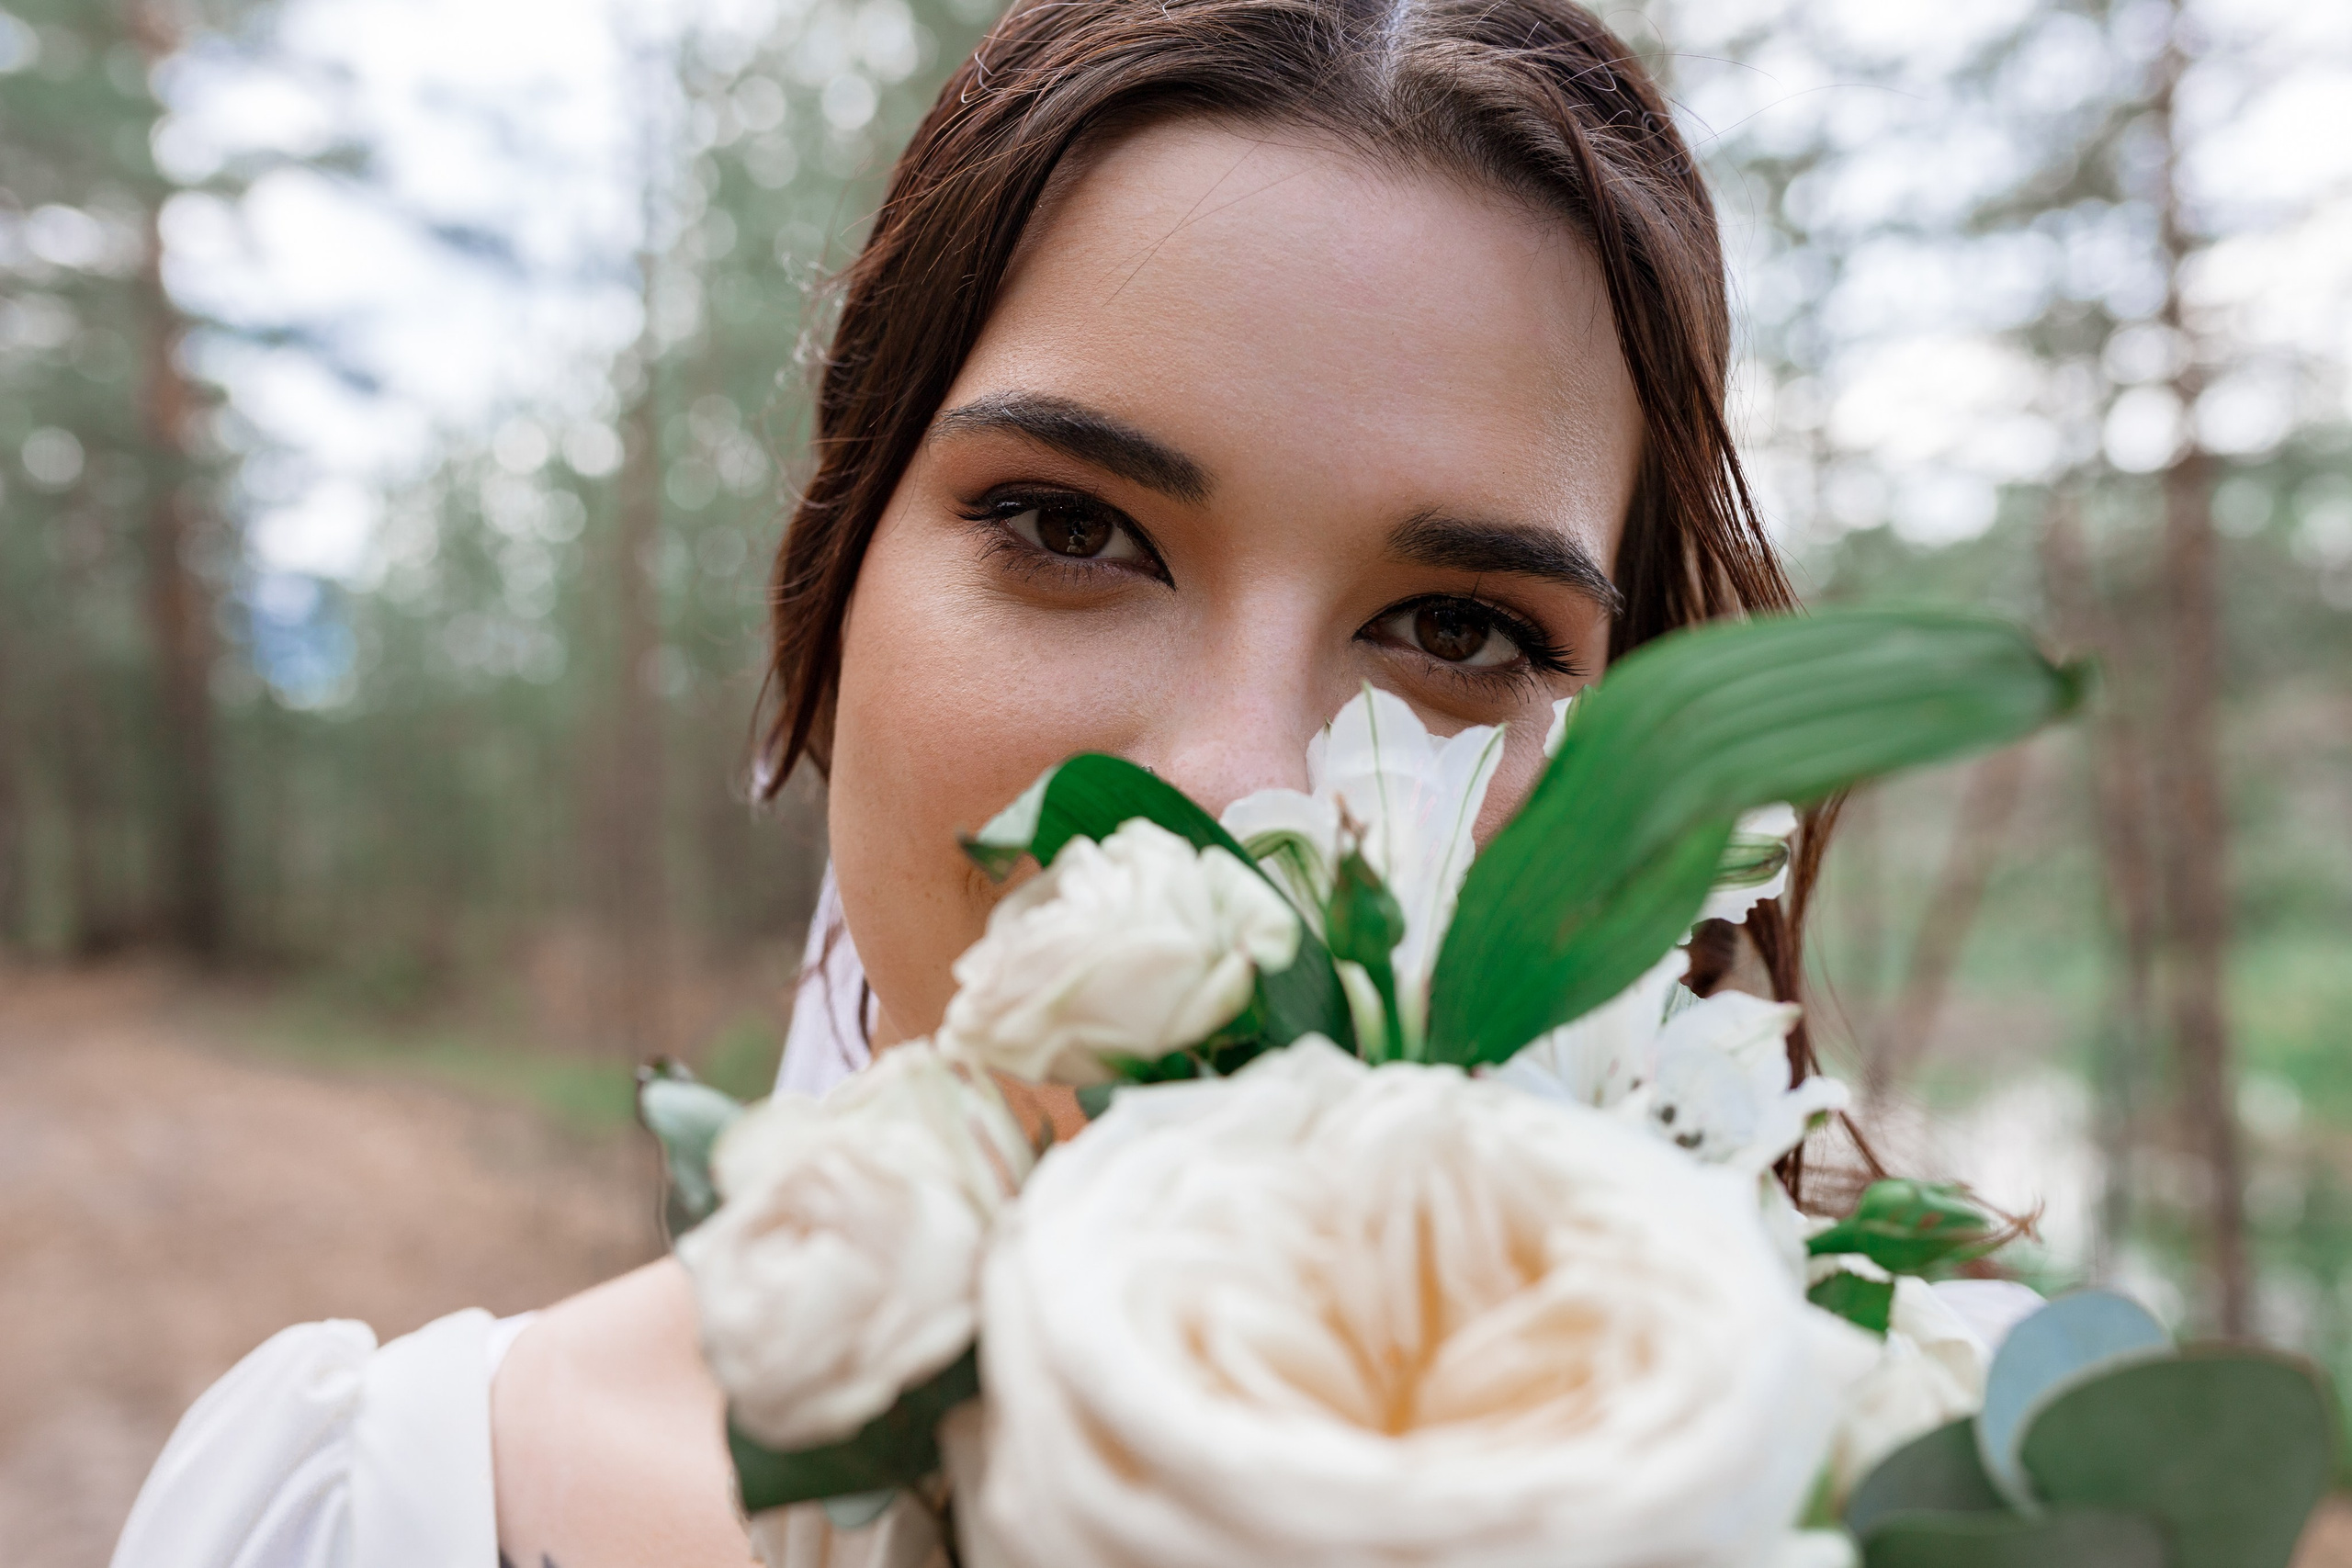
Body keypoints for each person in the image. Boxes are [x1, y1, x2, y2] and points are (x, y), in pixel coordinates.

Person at [112, 0, 1853, 1562]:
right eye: (1072, 528)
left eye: (1462, 628)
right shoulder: (351, 1511)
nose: (1240, 797)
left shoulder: (1846, 1495)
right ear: (836, 581)